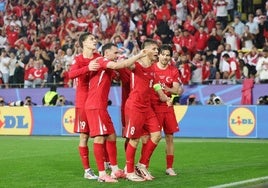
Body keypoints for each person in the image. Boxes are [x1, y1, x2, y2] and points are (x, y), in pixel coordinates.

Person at [84, 42, 148, 183]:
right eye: (115, 53)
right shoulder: (102, 60)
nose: (117, 55)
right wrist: (138, 55)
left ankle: (114, 170)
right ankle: (102, 174)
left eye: (119, 53)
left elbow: (120, 75)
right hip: (95, 106)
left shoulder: (106, 66)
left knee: (112, 136)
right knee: (99, 138)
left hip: (101, 107)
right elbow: (117, 66)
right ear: (106, 53)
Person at [124, 39, 161, 182]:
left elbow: (155, 85)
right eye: (154, 49)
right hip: (135, 106)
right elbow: (126, 64)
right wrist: (139, 54)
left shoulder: (152, 68)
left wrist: (164, 96)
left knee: (157, 135)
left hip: (147, 107)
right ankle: (129, 171)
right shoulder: (137, 65)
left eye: (157, 49)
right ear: (146, 51)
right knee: (134, 139)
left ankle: (141, 165)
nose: (157, 52)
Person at [68, 32, 101, 180]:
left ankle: (107, 165)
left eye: (95, 39)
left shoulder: (98, 57)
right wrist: (88, 68)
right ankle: (87, 170)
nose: (95, 41)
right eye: (91, 39)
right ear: (84, 43)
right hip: (83, 102)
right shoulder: (79, 59)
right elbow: (71, 74)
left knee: (102, 135)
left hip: (97, 101)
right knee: (84, 135)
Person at [151, 44, 183, 176]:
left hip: (168, 107)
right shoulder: (151, 68)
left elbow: (176, 89)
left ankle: (169, 167)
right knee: (151, 138)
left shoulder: (173, 70)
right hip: (153, 107)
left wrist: (166, 90)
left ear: (170, 57)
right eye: (163, 54)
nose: (165, 57)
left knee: (170, 137)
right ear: (158, 55)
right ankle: (143, 165)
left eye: (168, 55)